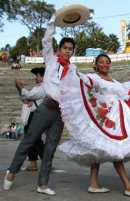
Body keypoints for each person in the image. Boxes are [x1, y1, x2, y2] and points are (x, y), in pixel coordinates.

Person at [58, 53, 130, 198]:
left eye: (107, 62)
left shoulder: (115, 81)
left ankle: (93, 184)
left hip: (119, 118)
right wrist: (71, 69)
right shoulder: (94, 77)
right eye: (101, 62)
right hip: (105, 118)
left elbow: (125, 89)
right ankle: (128, 186)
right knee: (114, 149)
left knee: (101, 148)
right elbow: (85, 80)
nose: (105, 64)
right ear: (96, 64)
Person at [3, 15, 74, 195]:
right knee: (29, 141)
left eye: (70, 49)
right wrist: (53, 22)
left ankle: (42, 184)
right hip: (45, 109)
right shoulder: (51, 60)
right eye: (65, 48)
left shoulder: (73, 69)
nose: (67, 51)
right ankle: (12, 171)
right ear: (59, 49)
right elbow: (46, 40)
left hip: (60, 114)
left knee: (50, 149)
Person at [16, 67, 46, 171]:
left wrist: (20, 87)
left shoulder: (43, 87)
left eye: (37, 76)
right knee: (31, 140)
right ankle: (33, 163)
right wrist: (20, 90)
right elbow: (26, 99)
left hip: (37, 116)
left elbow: (29, 95)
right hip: (32, 116)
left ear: (43, 77)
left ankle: (46, 161)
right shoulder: (37, 87)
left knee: (36, 140)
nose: (36, 78)